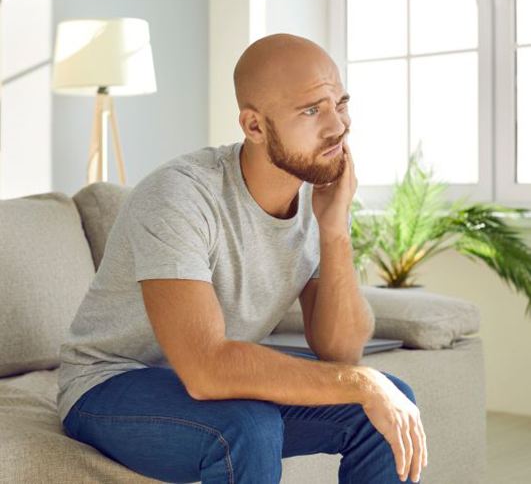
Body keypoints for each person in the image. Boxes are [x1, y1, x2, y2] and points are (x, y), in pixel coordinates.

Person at [57, 33, 428, 483]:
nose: (337, 126)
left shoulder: (317, 193)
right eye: (312, 111)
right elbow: (206, 370)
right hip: (108, 386)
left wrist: (334, 230)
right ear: (253, 126)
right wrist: (359, 382)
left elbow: (340, 349)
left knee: (389, 402)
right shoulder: (181, 195)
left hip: (207, 387)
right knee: (248, 426)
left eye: (340, 103)